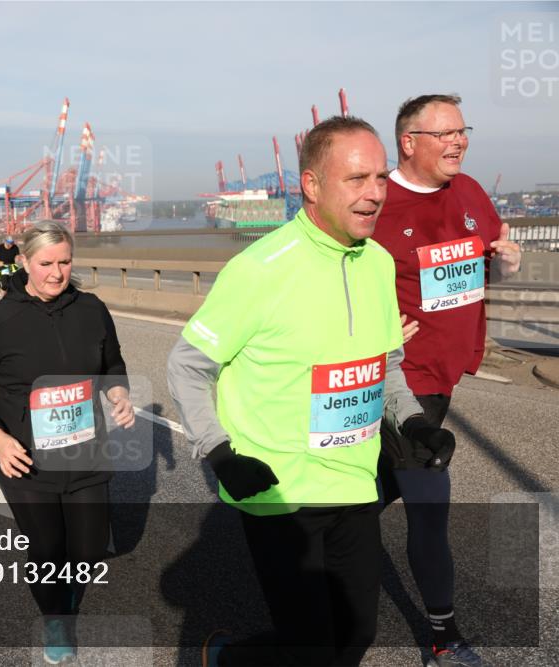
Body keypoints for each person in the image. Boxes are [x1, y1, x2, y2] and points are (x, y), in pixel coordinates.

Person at [168, 117, 449, 666]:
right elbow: (187, 366)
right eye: (356, 179)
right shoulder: (259, 269)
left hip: (353, 481)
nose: (374, 194)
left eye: (380, 178)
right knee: (313, 650)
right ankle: (227, 657)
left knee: (356, 636)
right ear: (312, 185)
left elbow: (385, 365)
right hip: (280, 494)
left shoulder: (378, 264)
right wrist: (222, 454)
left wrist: (412, 423)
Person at [370, 95, 522, 667]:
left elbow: (477, 265)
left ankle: (308, 542)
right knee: (429, 503)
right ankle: (444, 636)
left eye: (463, 131)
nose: (459, 141)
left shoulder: (471, 191)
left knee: (371, 495)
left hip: (447, 375)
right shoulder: (375, 201)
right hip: (399, 379)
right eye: (445, 133)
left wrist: (500, 267)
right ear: (408, 141)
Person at [0, 221, 135, 665]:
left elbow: (112, 363)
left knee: (91, 549)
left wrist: (119, 394)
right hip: (27, 460)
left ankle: (66, 588)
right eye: (46, 263)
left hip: (86, 450)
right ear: (24, 262)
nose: (57, 273)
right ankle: (55, 619)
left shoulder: (91, 309)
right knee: (47, 549)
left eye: (65, 262)